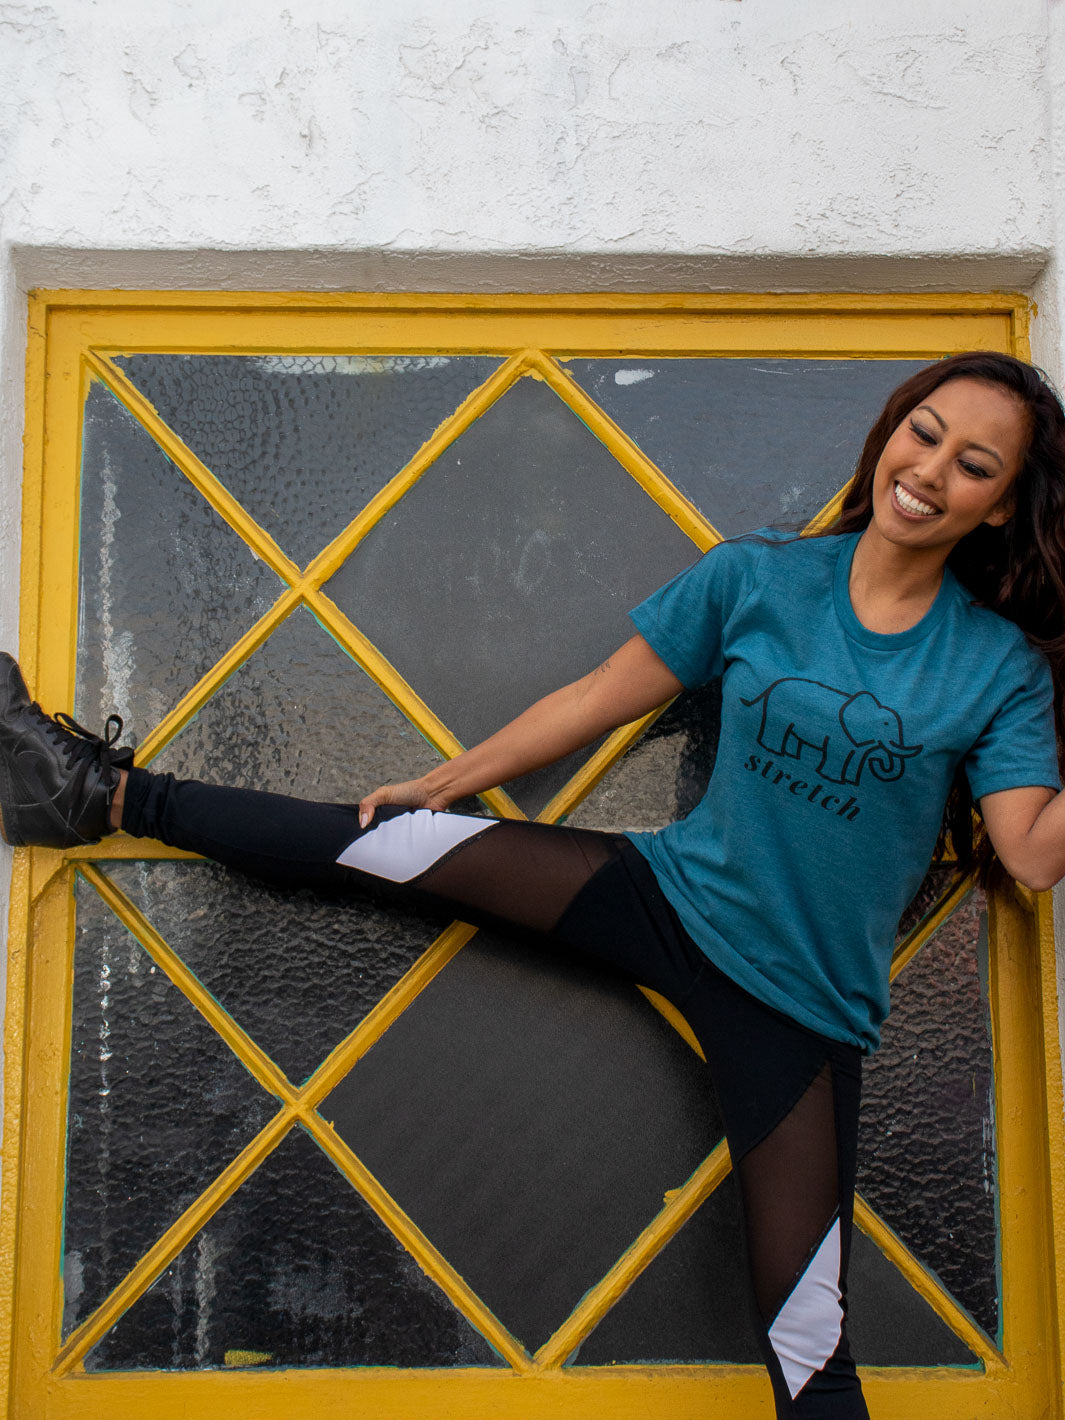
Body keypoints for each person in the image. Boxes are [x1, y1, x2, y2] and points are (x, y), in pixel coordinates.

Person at [2, 349, 1065, 1418]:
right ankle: (93, 793)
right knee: (384, 843)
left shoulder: (995, 668)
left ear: (999, 507)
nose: (929, 469)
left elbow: (1028, 853)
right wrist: (451, 779)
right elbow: (604, 692)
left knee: (809, 1343)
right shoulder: (760, 579)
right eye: (922, 432)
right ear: (889, 431)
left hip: (799, 1003)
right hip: (672, 895)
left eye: (974, 464)